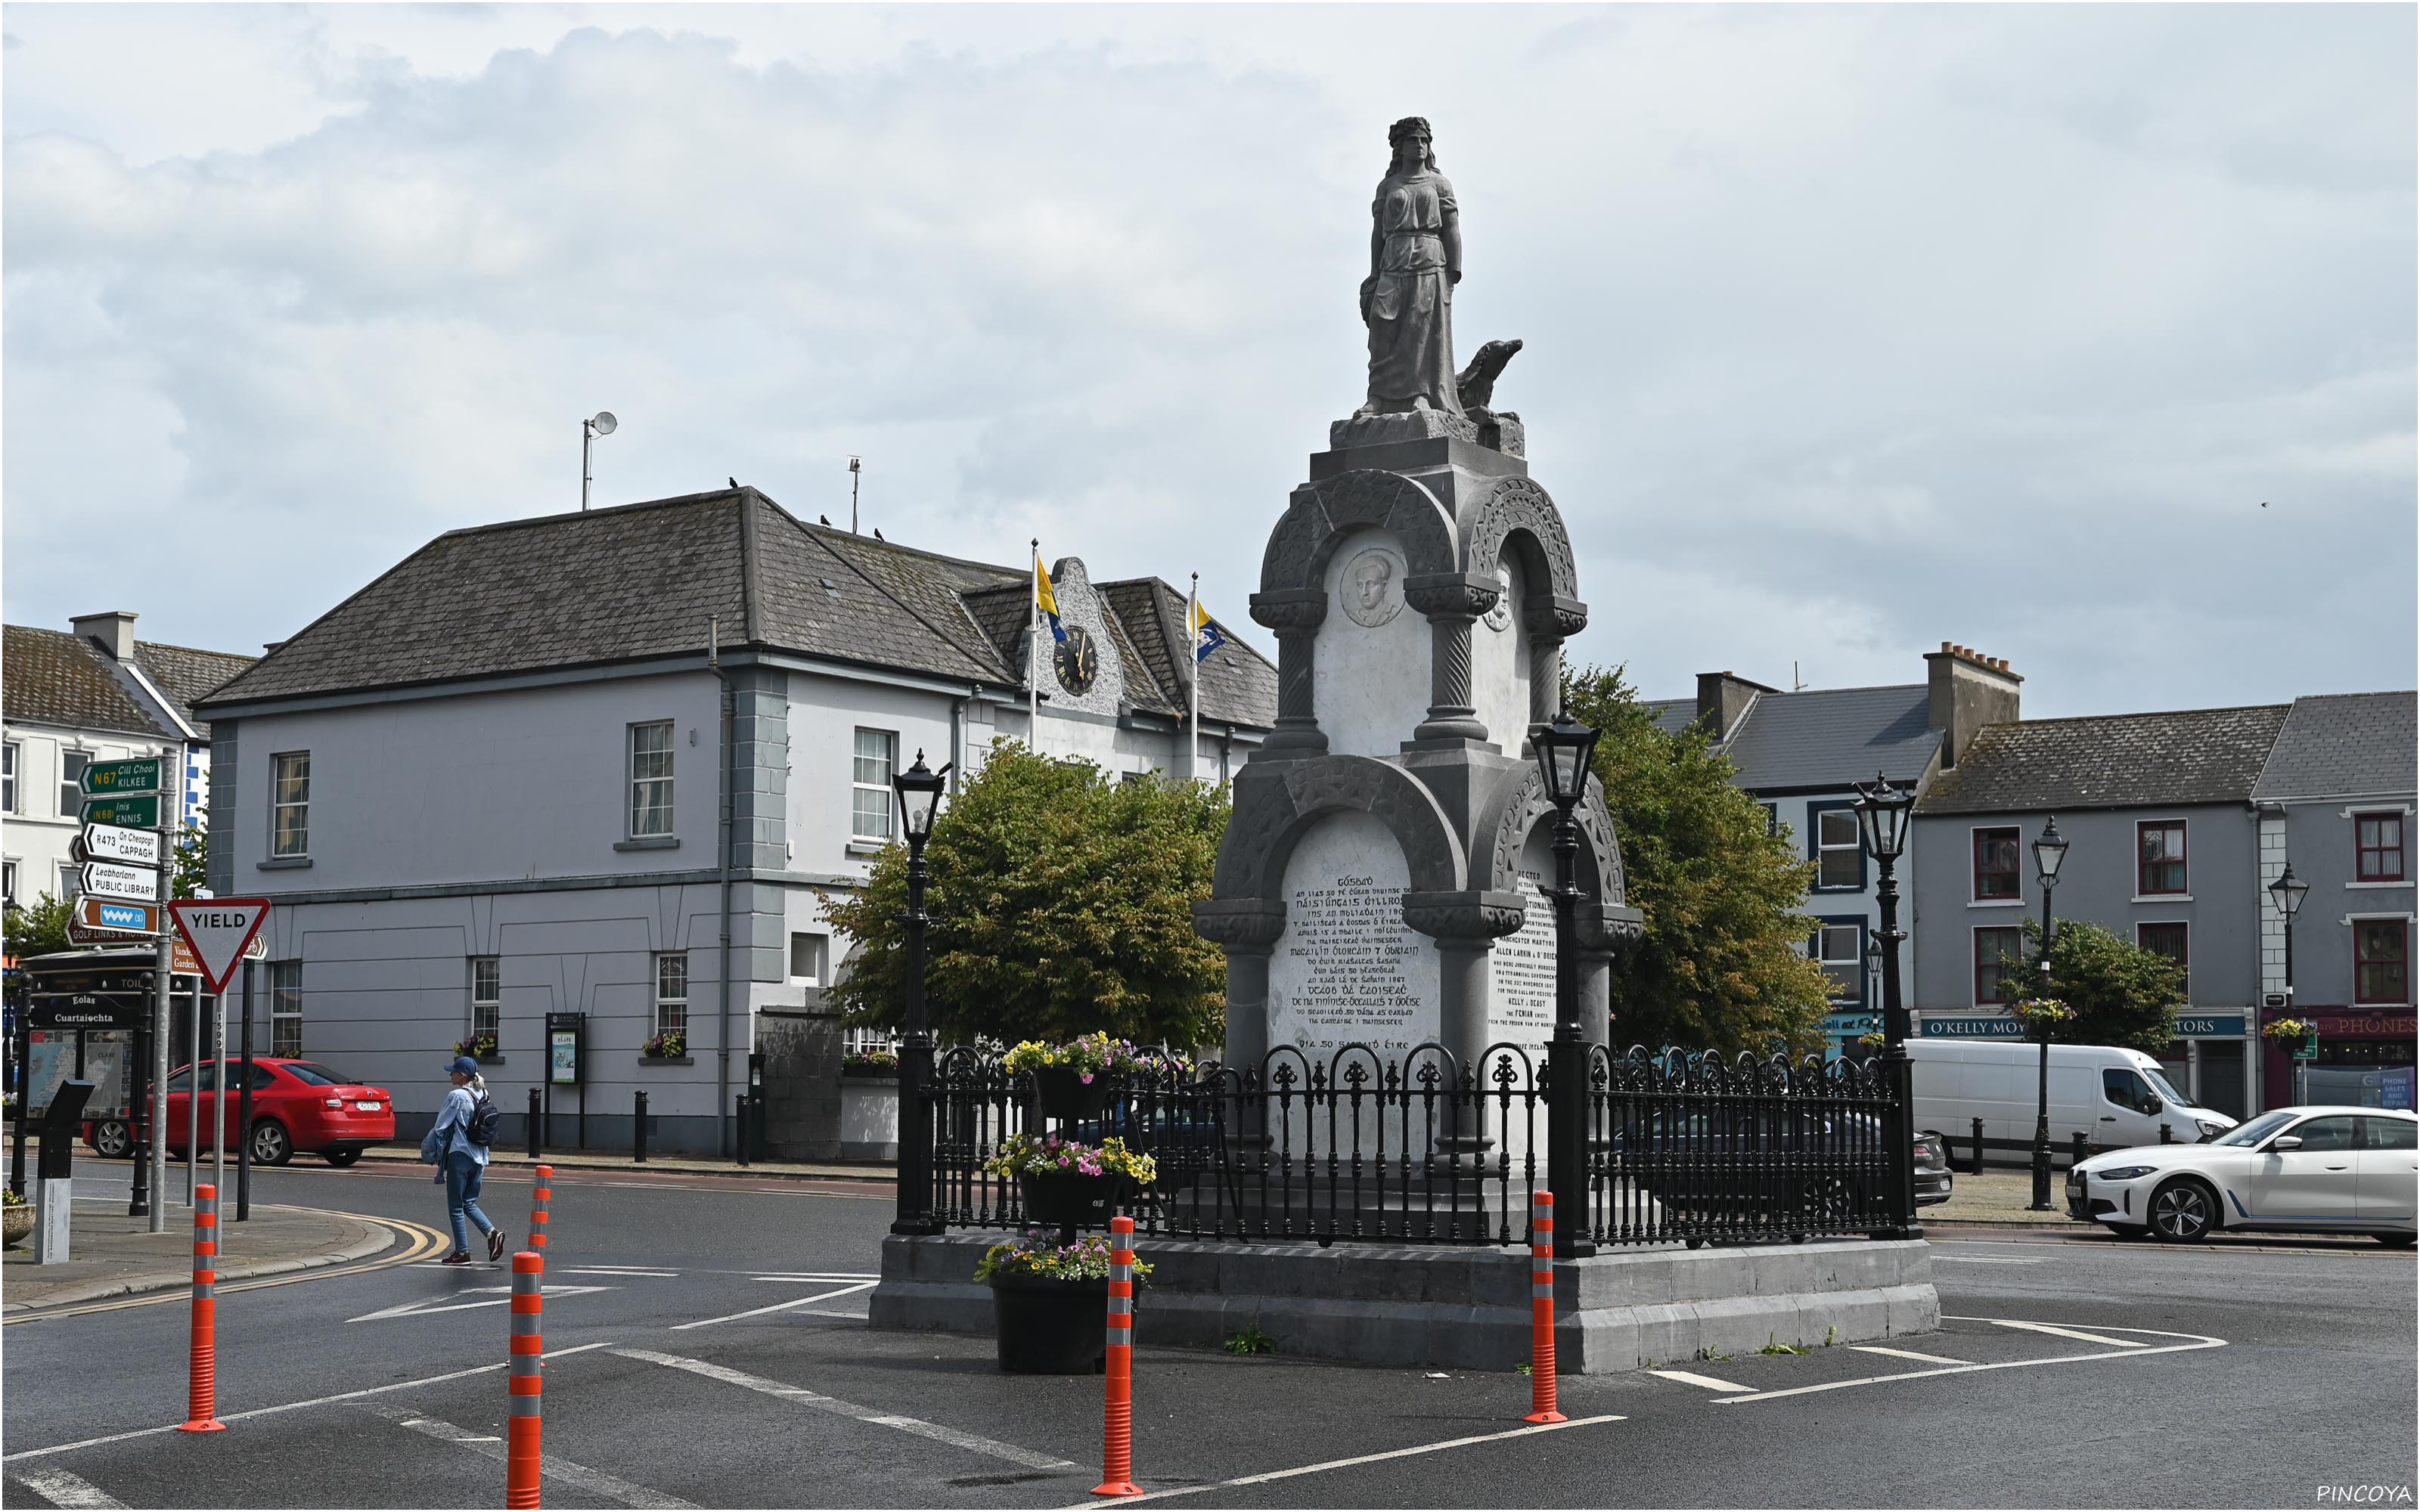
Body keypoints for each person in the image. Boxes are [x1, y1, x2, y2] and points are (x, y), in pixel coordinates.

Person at [1355, 116, 1464, 420]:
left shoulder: (1440, 184)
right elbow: (1378, 233)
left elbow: (1452, 228)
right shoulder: (1388, 186)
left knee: (1420, 329)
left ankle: (1420, 394)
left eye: (1424, 140)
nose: (1419, 146)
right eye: (1413, 140)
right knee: (1382, 326)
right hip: (1393, 260)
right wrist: (1374, 274)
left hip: (1429, 260)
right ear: (1399, 148)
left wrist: (1453, 272)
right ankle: (1378, 396)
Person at [420, 1055, 505, 1265]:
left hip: (460, 1155)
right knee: (469, 1202)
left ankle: (462, 1252)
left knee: (456, 1206)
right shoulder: (482, 1092)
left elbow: (441, 1126)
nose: (451, 1074)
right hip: (480, 1157)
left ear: (462, 1075)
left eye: (453, 1071)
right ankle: (492, 1234)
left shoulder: (456, 1095)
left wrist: (430, 1151)